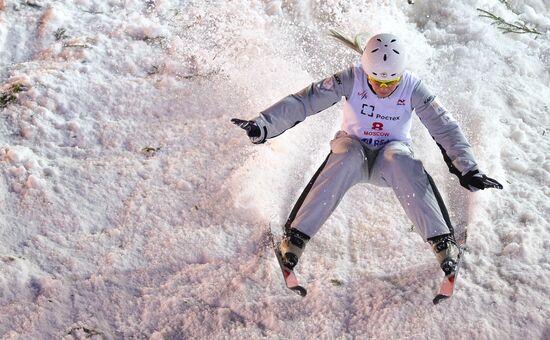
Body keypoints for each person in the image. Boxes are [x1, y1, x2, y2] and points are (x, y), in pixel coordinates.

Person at [231, 33, 503, 276]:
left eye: (391, 81)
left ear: (401, 74)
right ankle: (296, 237)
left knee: (402, 160)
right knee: (345, 154)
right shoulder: (351, 77)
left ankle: (443, 240)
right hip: (354, 151)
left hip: (390, 157)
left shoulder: (413, 87)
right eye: (376, 80)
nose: (383, 88)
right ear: (366, 72)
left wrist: (468, 169)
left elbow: (445, 127)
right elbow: (306, 100)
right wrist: (263, 125)